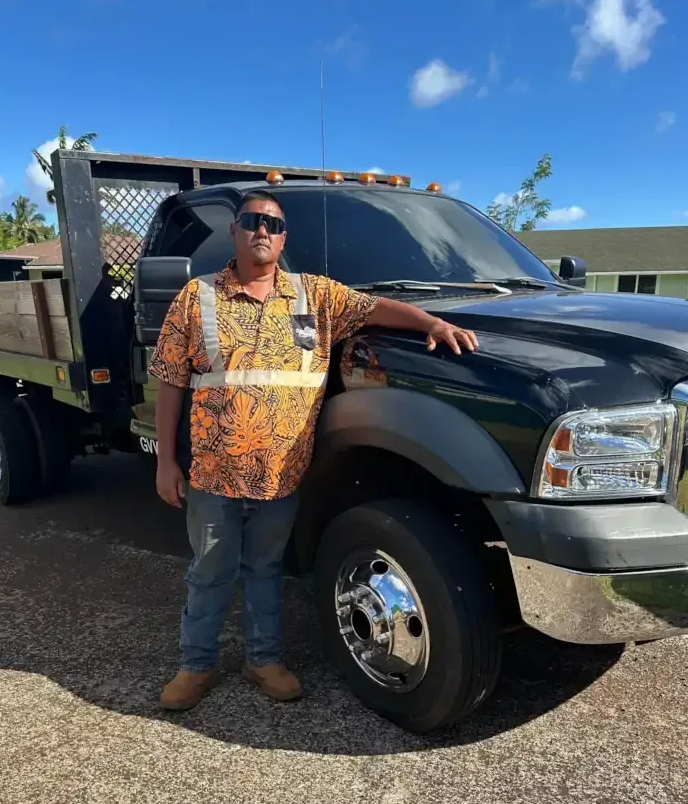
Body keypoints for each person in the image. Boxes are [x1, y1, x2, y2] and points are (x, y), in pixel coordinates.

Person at [149, 190, 478, 710]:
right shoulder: (198, 296)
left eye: (274, 225)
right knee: (210, 573)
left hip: (282, 476)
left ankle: (264, 661)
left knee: (266, 571)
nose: (263, 230)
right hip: (214, 473)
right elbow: (170, 381)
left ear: (283, 239)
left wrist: (430, 323)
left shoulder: (315, 297)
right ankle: (195, 667)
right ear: (235, 232)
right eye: (252, 221)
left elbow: (376, 308)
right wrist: (167, 461)